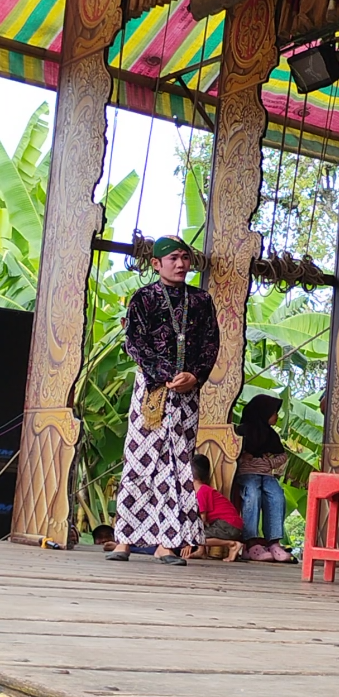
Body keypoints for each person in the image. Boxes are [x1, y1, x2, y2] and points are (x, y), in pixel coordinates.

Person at [107, 236, 219, 566]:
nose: (181, 264)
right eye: (173, 258)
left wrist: (195, 376)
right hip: (152, 391)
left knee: (177, 465)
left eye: (185, 257)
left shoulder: (201, 300)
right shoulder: (143, 298)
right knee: (138, 460)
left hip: (187, 395)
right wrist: (167, 376)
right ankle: (124, 540)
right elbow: (134, 343)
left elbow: (211, 344)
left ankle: (167, 545)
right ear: (156, 264)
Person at [235, 394, 293, 563]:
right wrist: (242, 458)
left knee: (277, 495)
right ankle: (250, 543)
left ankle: (274, 543)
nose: (277, 416)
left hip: (266, 474)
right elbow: (232, 451)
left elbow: (282, 456)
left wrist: (269, 463)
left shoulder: (271, 435)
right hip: (247, 474)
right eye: (274, 412)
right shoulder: (241, 431)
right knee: (252, 494)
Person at [180, 454, 244, 562]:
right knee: (198, 533)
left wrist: (190, 540)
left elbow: (202, 519)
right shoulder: (202, 490)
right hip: (229, 525)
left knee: (197, 536)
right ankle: (201, 551)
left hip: (229, 526)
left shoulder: (201, 491)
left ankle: (232, 545)